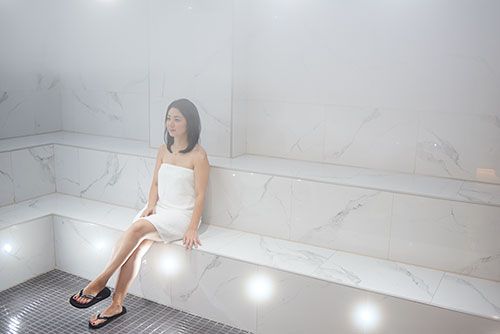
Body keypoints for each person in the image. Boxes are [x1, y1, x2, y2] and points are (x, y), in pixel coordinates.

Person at [68, 98, 210, 329]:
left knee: (136, 228)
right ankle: (116, 305)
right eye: (168, 118)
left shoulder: (199, 156)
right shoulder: (164, 149)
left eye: (177, 119)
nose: (170, 124)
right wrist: (151, 205)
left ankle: (99, 282)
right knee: (134, 250)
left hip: (181, 215)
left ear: (189, 123)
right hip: (160, 209)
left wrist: (192, 227)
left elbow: (200, 196)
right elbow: (155, 182)